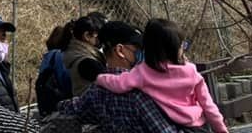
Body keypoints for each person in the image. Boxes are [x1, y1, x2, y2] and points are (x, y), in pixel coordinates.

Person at [53, 20, 193, 133]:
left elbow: (71, 108)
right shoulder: (141, 92)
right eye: (137, 50)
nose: (143, 55)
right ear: (120, 50)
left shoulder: (97, 91)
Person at [95, 18, 227, 133]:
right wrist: (221, 129)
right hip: (197, 126)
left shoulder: (142, 72)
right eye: (183, 46)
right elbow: (209, 106)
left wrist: (101, 78)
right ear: (175, 48)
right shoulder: (191, 72)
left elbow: (118, 84)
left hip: (167, 122)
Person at [61, 15, 104, 96]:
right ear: (87, 36)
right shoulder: (87, 62)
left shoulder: (75, 54)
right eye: (97, 36)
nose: (100, 40)